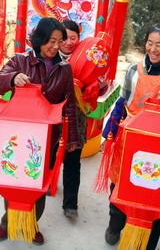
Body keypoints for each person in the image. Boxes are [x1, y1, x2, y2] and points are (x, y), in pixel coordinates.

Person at [102, 23, 160, 249]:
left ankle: (146, 243)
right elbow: (124, 104)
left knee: (155, 198)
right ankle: (115, 225)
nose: (153, 49)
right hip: (131, 140)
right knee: (118, 188)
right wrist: (110, 133)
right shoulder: (135, 70)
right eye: (150, 43)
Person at [0, 17, 79, 245]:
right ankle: (7, 222)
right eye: (51, 41)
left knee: (37, 184)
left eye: (60, 41)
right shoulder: (21, 60)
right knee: (13, 179)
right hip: (18, 135)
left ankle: (31, 225)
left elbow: (69, 104)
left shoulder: (64, 68)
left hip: (47, 138)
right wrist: (12, 78)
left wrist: (73, 138)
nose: (55, 47)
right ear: (39, 40)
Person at [58, 20, 87, 218]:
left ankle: (70, 204)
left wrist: (98, 84)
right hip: (54, 117)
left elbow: (95, 90)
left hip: (76, 119)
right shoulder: (49, 56)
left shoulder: (88, 58)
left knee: (72, 160)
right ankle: (48, 185)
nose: (69, 42)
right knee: (49, 157)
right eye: (64, 38)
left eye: (73, 37)